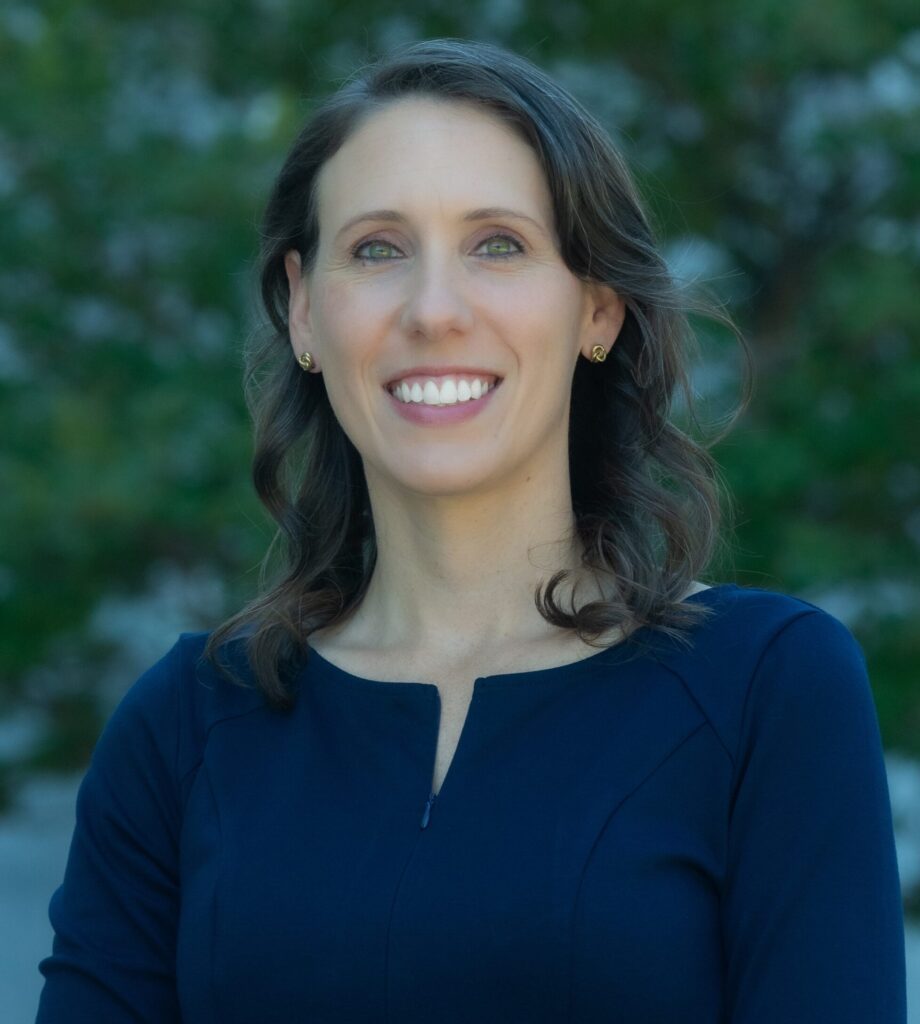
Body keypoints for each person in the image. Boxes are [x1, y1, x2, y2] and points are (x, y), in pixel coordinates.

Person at [35, 38, 906, 1023]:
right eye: (376, 249)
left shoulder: (765, 689)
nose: (433, 310)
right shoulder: (184, 728)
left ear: (596, 310)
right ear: (303, 311)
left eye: (497, 243)